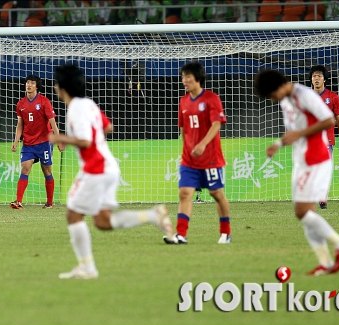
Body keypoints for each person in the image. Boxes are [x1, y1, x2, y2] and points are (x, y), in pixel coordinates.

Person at [49, 63, 174, 279]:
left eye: (56, 83)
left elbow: (86, 141)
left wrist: (60, 138)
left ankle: (87, 268)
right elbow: (108, 127)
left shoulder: (76, 108)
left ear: (63, 87)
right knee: (102, 222)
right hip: (109, 167)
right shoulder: (88, 104)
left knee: (73, 214)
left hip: (95, 168)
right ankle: (153, 215)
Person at [254, 69, 339, 276]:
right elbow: (294, 131)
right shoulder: (285, 101)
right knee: (305, 213)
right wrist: (278, 143)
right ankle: (325, 262)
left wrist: (299, 134)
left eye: (272, 96)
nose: (273, 100)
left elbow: (329, 121)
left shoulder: (305, 95)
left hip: (316, 159)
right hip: (301, 161)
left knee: (302, 211)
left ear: (279, 87)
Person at [164, 61, 231, 245]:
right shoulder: (184, 101)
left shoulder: (211, 99)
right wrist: (187, 148)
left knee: (217, 194)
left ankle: (226, 232)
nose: (184, 81)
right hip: (189, 160)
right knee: (185, 193)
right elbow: (184, 129)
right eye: (183, 77)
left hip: (210, 158)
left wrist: (202, 144)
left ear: (198, 79)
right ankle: (181, 235)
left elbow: (217, 124)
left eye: (188, 77)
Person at [10, 75, 63, 209]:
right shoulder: (20, 104)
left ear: (36, 86)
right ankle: (18, 201)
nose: (29, 85)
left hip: (44, 142)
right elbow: (20, 125)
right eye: (27, 82)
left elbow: (52, 122)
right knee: (25, 169)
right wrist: (16, 141)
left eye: (32, 83)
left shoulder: (44, 101)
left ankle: (49, 202)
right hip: (28, 143)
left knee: (47, 171)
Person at [309, 65, 339, 209]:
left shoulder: (333, 97)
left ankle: (322, 199)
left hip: (327, 140)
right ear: (311, 80)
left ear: (324, 79)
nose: (316, 78)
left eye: (319, 76)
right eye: (314, 76)